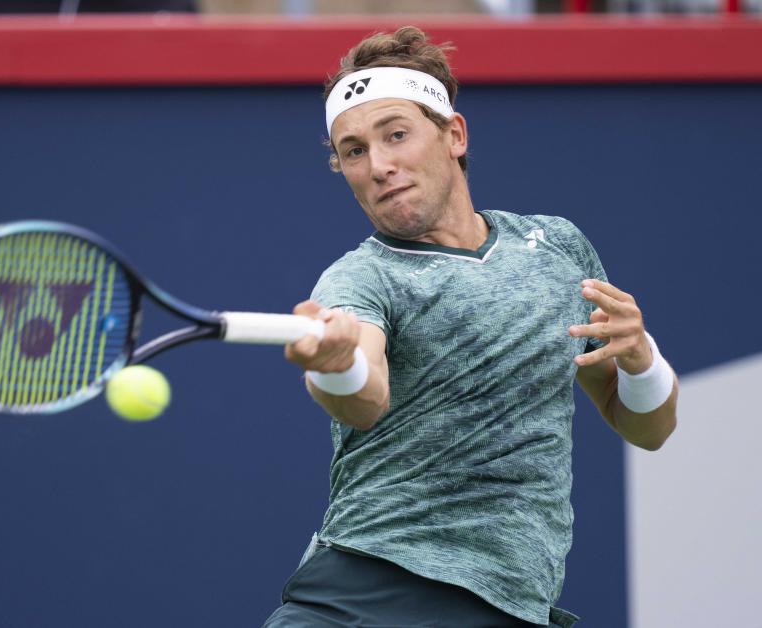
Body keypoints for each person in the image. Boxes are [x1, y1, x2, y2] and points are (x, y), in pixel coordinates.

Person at [264, 26, 678, 628]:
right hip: (364, 595)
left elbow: (649, 427)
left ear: (454, 135)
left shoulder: (558, 247)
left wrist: (641, 359)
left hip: (511, 605)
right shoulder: (359, 279)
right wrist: (338, 366)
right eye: (353, 151)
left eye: (396, 134)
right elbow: (365, 399)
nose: (378, 166)